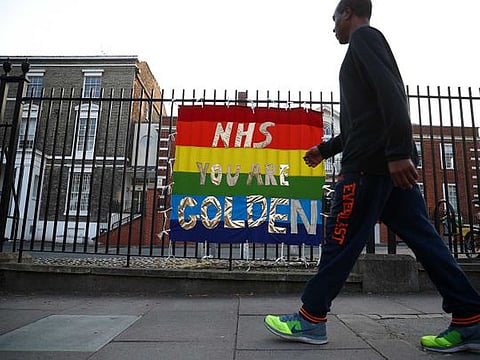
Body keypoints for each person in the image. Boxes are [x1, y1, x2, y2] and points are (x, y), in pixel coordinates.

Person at [263, 0, 480, 353]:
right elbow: (362, 121)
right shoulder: (364, 46)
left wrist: (398, 153)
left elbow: (392, 94)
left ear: (348, 12)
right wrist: (326, 150)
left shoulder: (365, 39)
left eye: (334, 18)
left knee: (339, 240)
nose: (332, 26)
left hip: (369, 168)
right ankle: (470, 318)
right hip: (382, 169)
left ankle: (311, 318)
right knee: (427, 241)